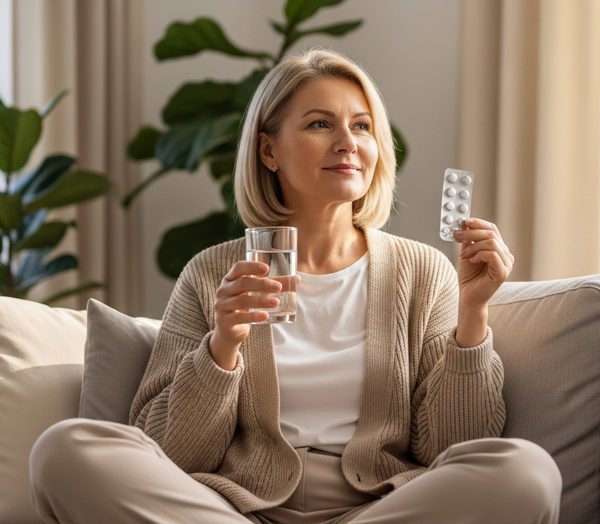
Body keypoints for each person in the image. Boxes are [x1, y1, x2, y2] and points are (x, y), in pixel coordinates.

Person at [29, 48, 562, 524]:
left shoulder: (422, 271)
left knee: (526, 472)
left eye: (361, 126)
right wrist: (222, 348)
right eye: (319, 124)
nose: (347, 143)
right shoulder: (211, 273)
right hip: (236, 511)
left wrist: (473, 315)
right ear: (268, 151)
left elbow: (453, 446)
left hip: (378, 508)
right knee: (67, 449)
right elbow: (169, 453)